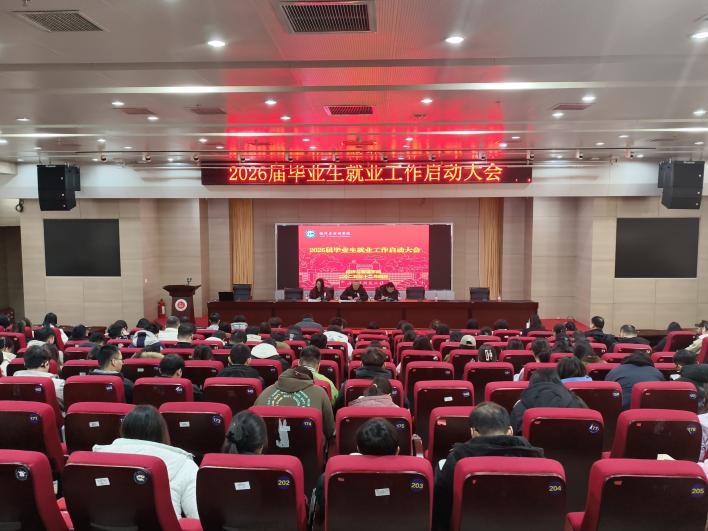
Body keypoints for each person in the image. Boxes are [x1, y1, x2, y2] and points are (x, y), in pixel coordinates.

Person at [433, 402, 544, 530]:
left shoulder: (457, 459)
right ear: (510, 431)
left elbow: (442, 511)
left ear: (473, 432)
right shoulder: (537, 459)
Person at [93, 405, 198, 518]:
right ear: (162, 432)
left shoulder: (95, 459)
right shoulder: (184, 464)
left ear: (124, 429)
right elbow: (198, 517)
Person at [254, 365, 335, 438]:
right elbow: (330, 430)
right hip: (308, 448)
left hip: (269, 447)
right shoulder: (320, 392)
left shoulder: (265, 392)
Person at [510, 369, 587, 433]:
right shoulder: (577, 402)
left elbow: (515, 435)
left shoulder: (520, 406)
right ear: (558, 381)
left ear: (531, 383)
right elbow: (589, 429)